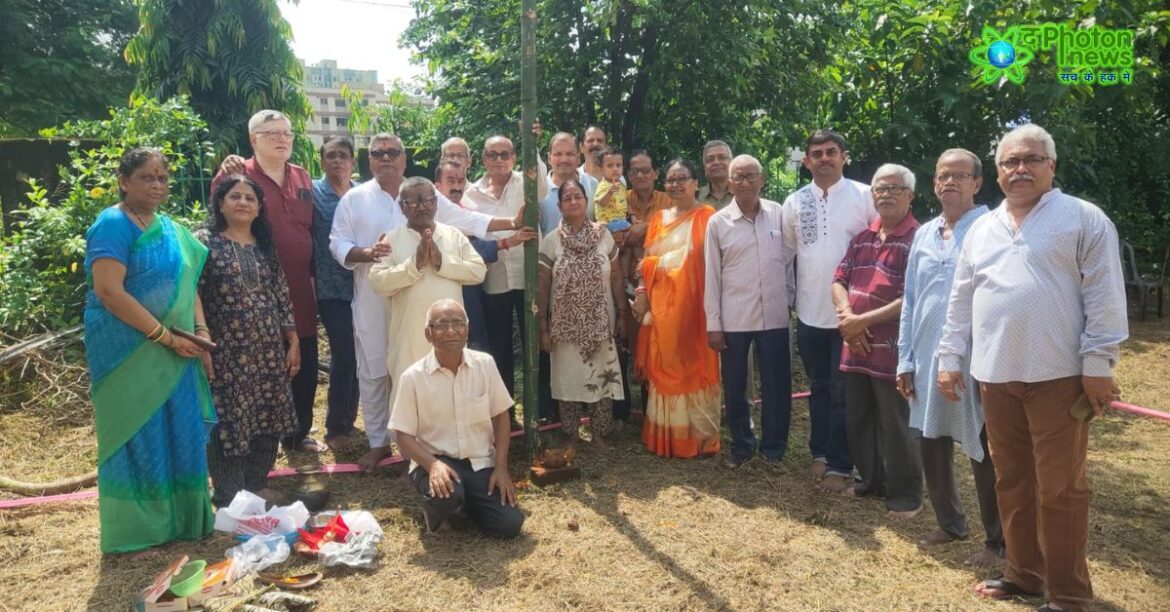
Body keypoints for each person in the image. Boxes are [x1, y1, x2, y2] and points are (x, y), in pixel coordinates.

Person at [938, 124, 1128, 612]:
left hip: (1060, 378)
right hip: (995, 375)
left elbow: (1104, 295)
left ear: (1052, 166)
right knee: (1012, 479)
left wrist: (1099, 363)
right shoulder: (982, 228)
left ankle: (1068, 596)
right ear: (997, 172)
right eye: (1009, 162)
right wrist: (948, 356)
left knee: (1061, 489)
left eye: (1030, 160)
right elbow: (960, 299)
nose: (1019, 169)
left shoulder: (1082, 219)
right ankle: (1023, 576)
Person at [330, 133, 527, 471]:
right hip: (380, 302)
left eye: (393, 152)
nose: (386, 158)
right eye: (378, 153)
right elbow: (338, 243)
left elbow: (467, 220)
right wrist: (374, 254)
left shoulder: (428, 200)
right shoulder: (355, 199)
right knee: (380, 370)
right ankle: (382, 442)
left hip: (437, 310)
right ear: (370, 160)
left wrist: (510, 224)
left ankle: (441, 447)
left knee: (437, 373)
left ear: (404, 159)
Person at [84, 147, 215, 555]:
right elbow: (108, 291)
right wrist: (163, 336)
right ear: (124, 181)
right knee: (137, 435)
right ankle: (137, 533)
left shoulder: (171, 227)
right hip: (127, 350)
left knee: (178, 429)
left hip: (178, 350)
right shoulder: (111, 225)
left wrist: (199, 332)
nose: (157, 184)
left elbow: (188, 284)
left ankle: (182, 521)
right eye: (146, 177)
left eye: (162, 177)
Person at [895, 149, 1001, 567]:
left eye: (960, 175)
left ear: (977, 183)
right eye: (943, 176)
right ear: (935, 184)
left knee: (983, 448)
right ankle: (950, 522)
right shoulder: (924, 234)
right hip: (925, 357)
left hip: (976, 358)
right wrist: (905, 359)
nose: (950, 183)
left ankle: (998, 542)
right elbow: (910, 299)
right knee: (930, 440)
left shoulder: (993, 228)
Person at [214, 110, 322, 453]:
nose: (281, 138)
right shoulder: (236, 175)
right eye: (271, 132)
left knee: (303, 359)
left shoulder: (303, 177)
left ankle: (296, 433)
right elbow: (218, 224)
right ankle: (262, 440)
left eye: (287, 133)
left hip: (301, 287)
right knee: (260, 362)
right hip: (253, 287)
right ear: (253, 139)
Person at [781, 129, 876, 492]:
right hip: (808, 312)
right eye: (816, 153)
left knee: (843, 390)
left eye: (831, 152)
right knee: (818, 386)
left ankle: (841, 463)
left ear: (843, 156)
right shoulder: (795, 201)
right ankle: (819, 453)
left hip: (851, 314)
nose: (824, 159)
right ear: (806, 161)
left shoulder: (864, 196)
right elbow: (790, 253)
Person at [197, 176, 300, 507]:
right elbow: (192, 293)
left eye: (249, 198)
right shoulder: (205, 243)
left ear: (258, 209)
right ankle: (230, 492)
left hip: (268, 349)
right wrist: (202, 337)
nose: (242, 202)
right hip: (226, 350)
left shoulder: (264, 247)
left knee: (268, 413)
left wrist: (292, 336)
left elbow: (281, 292)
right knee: (231, 418)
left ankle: (257, 482)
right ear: (221, 203)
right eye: (234, 196)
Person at [831, 164, 922, 517]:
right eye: (879, 189)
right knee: (859, 416)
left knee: (896, 422)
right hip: (855, 345)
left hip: (893, 348)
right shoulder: (862, 238)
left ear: (910, 196)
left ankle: (906, 496)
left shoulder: (918, 238)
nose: (885, 194)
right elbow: (839, 279)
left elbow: (912, 296)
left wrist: (860, 322)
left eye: (894, 188)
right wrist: (846, 318)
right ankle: (871, 482)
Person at [391, 299, 524, 538]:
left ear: (467, 329)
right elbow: (402, 435)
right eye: (441, 325)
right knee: (447, 496)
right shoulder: (412, 377)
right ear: (428, 334)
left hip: (479, 463)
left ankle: (467, 504)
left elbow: (501, 417)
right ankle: (439, 512)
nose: (451, 331)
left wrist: (501, 468)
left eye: (457, 323)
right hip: (437, 461)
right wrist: (432, 465)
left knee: (510, 526)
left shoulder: (485, 365)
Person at [704, 155, 794, 468]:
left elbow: (789, 262)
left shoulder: (779, 214)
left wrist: (790, 299)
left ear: (762, 179)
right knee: (736, 384)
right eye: (738, 177)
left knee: (777, 384)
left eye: (750, 176)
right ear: (729, 184)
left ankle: (774, 448)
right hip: (734, 317)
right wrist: (713, 323)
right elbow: (712, 276)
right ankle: (742, 445)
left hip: (774, 315)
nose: (744, 182)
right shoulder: (718, 222)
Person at [368, 177, 487, 402]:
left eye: (428, 200)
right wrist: (414, 266)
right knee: (410, 397)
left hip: (450, 335)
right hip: (409, 337)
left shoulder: (453, 235)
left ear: (436, 203)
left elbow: (478, 271)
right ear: (402, 207)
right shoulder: (391, 240)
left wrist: (443, 263)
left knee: (451, 393)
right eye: (413, 202)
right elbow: (378, 282)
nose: (422, 206)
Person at [632, 159, 721, 458]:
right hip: (661, 307)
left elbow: (713, 264)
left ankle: (697, 439)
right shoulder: (658, 219)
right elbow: (646, 260)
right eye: (671, 179)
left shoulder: (707, 216)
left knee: (695, 363)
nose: (676, 184)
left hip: (695, 308)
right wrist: (642, 291)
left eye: (683, 178)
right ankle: (666, 438)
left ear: (696, 183)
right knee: (664, 363)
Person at [537, 178, 627, 448]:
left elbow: (617, 278)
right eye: (568, 198)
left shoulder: (604, 235)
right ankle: (571, 434)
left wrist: (623, 313)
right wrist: (542, 326)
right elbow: (542, 286)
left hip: (601, 325)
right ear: (559, 205)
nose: (574, 202)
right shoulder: (552, 241)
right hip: (564, 329)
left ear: (587, 202)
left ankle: (599, 433)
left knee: (602, 375)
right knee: (567, 379)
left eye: (578, 197)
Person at [461, 133, 547, 406]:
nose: (499, 160)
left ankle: (542, 411)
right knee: (499, 349)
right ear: (484, 158)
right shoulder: (471, 194)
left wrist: (532, 139)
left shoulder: (528, 182)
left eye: (505, 154)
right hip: (493, 279)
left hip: (528, 276)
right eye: (492, 154)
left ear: (514, 157)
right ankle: (505, 413)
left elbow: (543, 184)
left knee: (534, 346)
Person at [313, 137, 361, 451]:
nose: (337, 161)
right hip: (330, 288)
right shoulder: (313, 194)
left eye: (343, 156)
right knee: (344, 354)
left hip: (363, 287)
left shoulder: (361, 192)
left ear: (353, 162)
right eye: (330, 156)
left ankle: (350, 419)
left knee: (360, 354)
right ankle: (334, 427)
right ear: (322, 161)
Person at [435, 158, 498, 352]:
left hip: (470, 291)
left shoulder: (470, 211)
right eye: (450, 181)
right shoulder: (431, 211)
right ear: (437, 185)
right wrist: (506, 242)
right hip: (441, 292)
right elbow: (475, 251)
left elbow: (480, 250)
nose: (456, 186)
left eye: (460, 181)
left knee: (474, 345)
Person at [540, 132, 596, 236]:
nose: (564, 160)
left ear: (578, 157)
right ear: (549, 158)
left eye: (570, 154)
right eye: (558, 154)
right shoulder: (539, 191)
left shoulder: (592, 184)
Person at [593, 146, 630, 233]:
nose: (615, 169)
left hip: (621, 221)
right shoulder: (603, 185)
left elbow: (626, 203)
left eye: (618, 165)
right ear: (601, 169)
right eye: (610, 165)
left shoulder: (621, 185)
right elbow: (602, 203)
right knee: (633, 230)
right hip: (607, 223)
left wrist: (633, 216)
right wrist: (610, 192)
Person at [697, 140, 734, 209]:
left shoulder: (742, 193)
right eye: (710, 159)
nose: (716, 162)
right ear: (705, 167)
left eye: (722, 157)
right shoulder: (695, 197)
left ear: (731, 162)